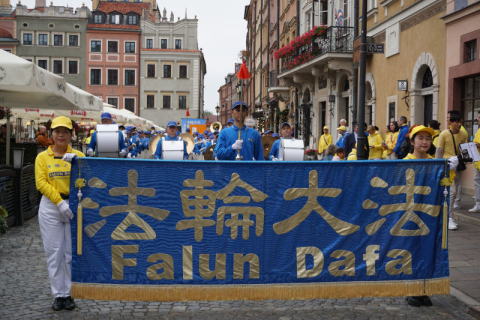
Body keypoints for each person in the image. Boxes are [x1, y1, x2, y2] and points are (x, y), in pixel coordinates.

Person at [34, 116, 85, 311]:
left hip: (73, 207)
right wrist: (58, 202)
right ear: (51, 134)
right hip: (51, 208)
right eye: (57, 131)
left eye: (65, 131)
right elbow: (41, 183)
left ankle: (70, 293)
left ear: (72, 134)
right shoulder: (42, 157)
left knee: (71, 253)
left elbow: (89, 178)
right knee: (54, 253)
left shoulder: (80, 155)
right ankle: (58, 295)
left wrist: (78, 164)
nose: (61, 135)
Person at [436, 110, 467, 230]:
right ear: (451, 122)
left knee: (453, 193)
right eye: (457, 122)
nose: (459, 124)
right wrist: (438, 166)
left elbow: (463, 150)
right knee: (451, 192)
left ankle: (446, 216)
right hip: (446, 168)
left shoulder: (463, 134)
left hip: (457, 168)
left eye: (460, 122)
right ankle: (449, 218)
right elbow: (439, 151)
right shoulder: (444, 134)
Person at [470, 111, 480, 213]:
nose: (478, 119)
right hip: (477, 162)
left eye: (479, 117)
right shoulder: (478, 131)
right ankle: (478, 204)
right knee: (477, 184)